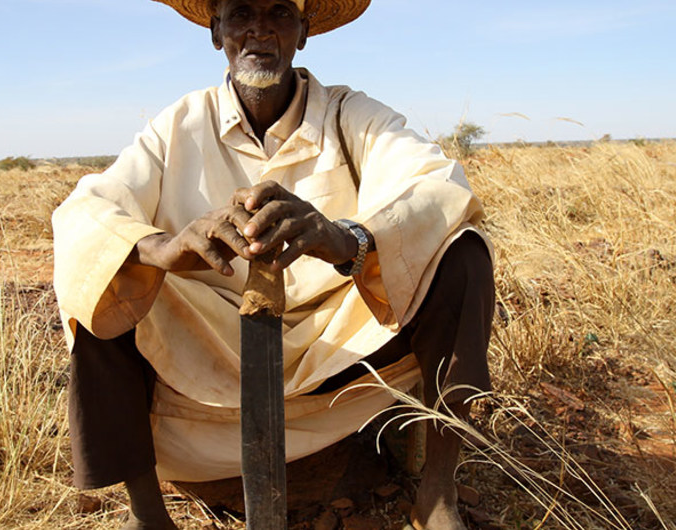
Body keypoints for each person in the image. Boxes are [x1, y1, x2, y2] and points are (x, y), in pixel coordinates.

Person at [52, 0, 495, 528]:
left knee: (460, 252)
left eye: (280, 12)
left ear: (302, 31)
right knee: (104, 272)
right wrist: (163, 248)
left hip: (337, 341)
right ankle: (147, 514)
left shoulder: (350, 116)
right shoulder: (178, 126)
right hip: (209, 340)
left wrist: (346, 238)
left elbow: (437, 186)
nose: (259, 29)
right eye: (241, 12)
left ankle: (438, 496)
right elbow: (88, 211)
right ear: (217, 31)